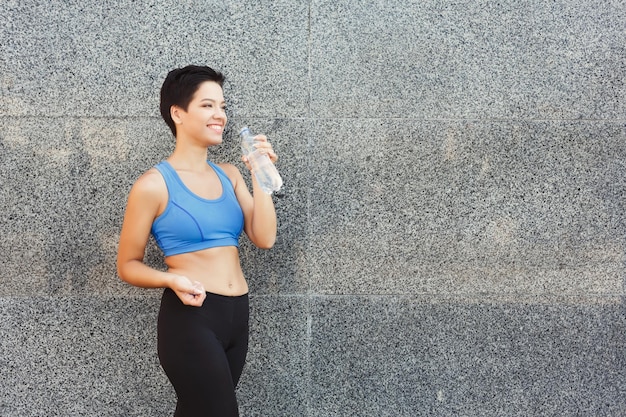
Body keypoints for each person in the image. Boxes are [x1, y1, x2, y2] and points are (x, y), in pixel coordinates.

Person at [116, 65, 278, 417]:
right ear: (178, 113)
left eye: (222, 106)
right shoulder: (153, 185)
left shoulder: (231, 174)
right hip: (191, 320)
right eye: (207, 105)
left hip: (237, 315)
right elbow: (127, 265)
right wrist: (170, 278)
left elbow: (264, 238)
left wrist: (259, 171)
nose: (220, 114)